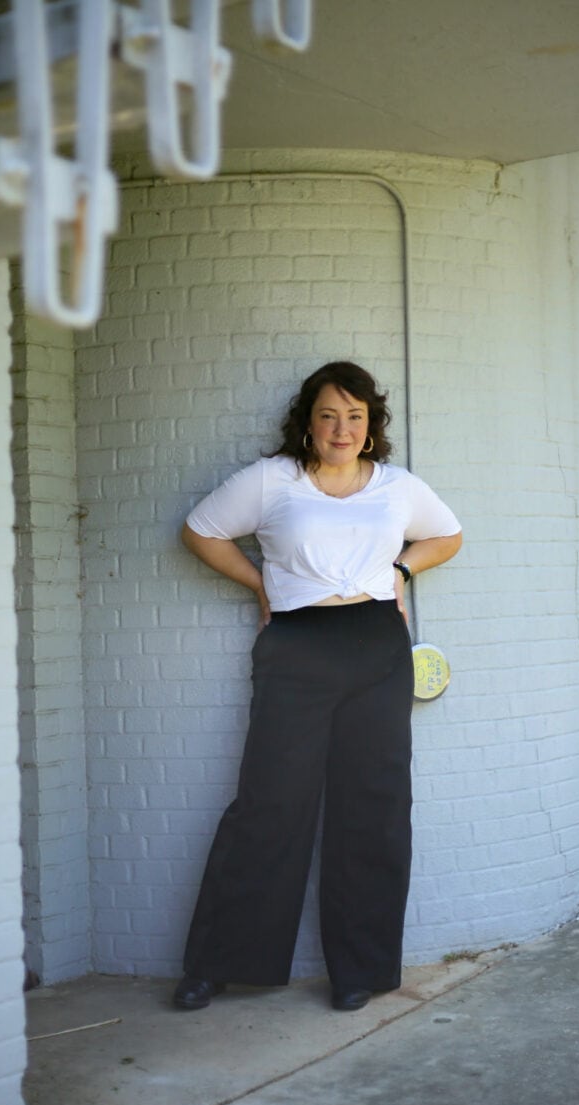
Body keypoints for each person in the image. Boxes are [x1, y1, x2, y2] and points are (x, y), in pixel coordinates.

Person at [174, 361, 462, 1012]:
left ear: (371, 425)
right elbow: (200, 530)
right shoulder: (272, 481)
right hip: (297, 647)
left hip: (376, 648)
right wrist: (260, 583)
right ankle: (218, 963)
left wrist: (401, 570)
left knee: (373, 808)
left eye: (355, 416)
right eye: (330, 414)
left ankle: (359, 970)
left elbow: (449, 535)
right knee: (269, 803)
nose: (342, 428)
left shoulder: (396, 487)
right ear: (309, 420)